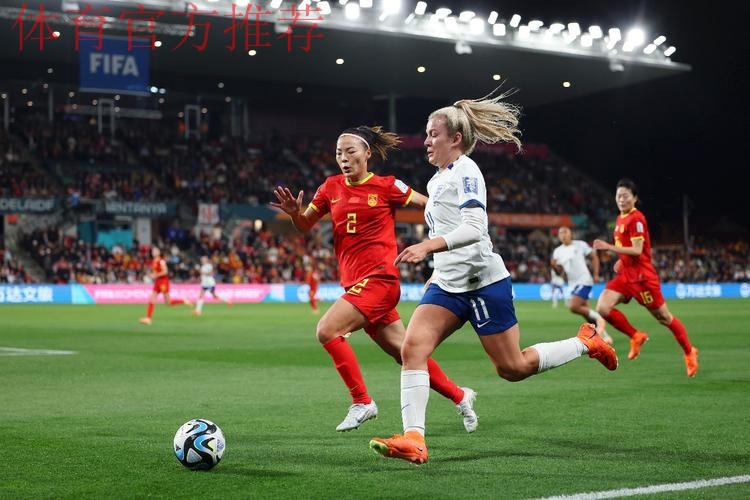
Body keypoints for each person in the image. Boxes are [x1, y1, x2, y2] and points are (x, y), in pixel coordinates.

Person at [369, 92, 618, 465]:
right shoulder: (437, 181)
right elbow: (449, 228)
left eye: (433, 134)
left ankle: (586, 342)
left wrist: (428, 247)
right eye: (426, 134)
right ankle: (414, 439)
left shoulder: (467, 171)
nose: (426, 141)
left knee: (512, 368)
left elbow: (475, 227)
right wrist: (436, 271)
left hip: (483, 283)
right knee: (412, 349)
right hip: (448, 285)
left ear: (455, 139)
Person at [271, 125, 478, 433]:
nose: (343, 158)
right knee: (407, 353)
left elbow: (429, 205)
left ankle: (362, 402)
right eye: (339, 153)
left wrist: (452, 233)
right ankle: (460, 396)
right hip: (356, 284)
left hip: (380, 280)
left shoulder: (387, 186)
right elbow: (304, 225)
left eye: (350, 151)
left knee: (327, 330)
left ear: (367, 153)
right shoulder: (329, 188)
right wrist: (293, 214)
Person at [593, 178, 698, 377]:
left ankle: (689, 351)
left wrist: (609, 247)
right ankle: (636, 336)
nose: (621, 199)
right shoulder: (620, 218)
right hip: (626, 275)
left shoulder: (637, 219)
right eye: (618, 196)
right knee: (603, 307)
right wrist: (621, 262)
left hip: (642, 278)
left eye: (625, 196)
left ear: (635, 198)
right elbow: (627, 250)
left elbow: (637, 249)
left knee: (664, 317)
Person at [551, 226, 614, 344]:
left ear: (571, 234)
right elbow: (560, 273)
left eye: (565, 232)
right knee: (586, 313)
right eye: (560, 233)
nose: (563, 235)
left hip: (584, 280)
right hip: (572, 284)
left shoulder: (580, 245)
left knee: (573, 306)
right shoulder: (557, 251)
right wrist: (554, 266)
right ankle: (604, 337)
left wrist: (596, 274)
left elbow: (594, 257)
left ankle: (600, 319)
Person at [139, 246, 192, 325]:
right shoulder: (154, 261)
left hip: (163, 282)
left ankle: (184, 300)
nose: (154, 252)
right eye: (153, 251)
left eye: (156, 251)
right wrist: (152, 275)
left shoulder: (161, 261)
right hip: (158, 282)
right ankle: (148, 318)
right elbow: (156, 272)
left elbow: (165, 271)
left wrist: (155, 275)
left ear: (159, 252)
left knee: (168, 302)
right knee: (152, 298)